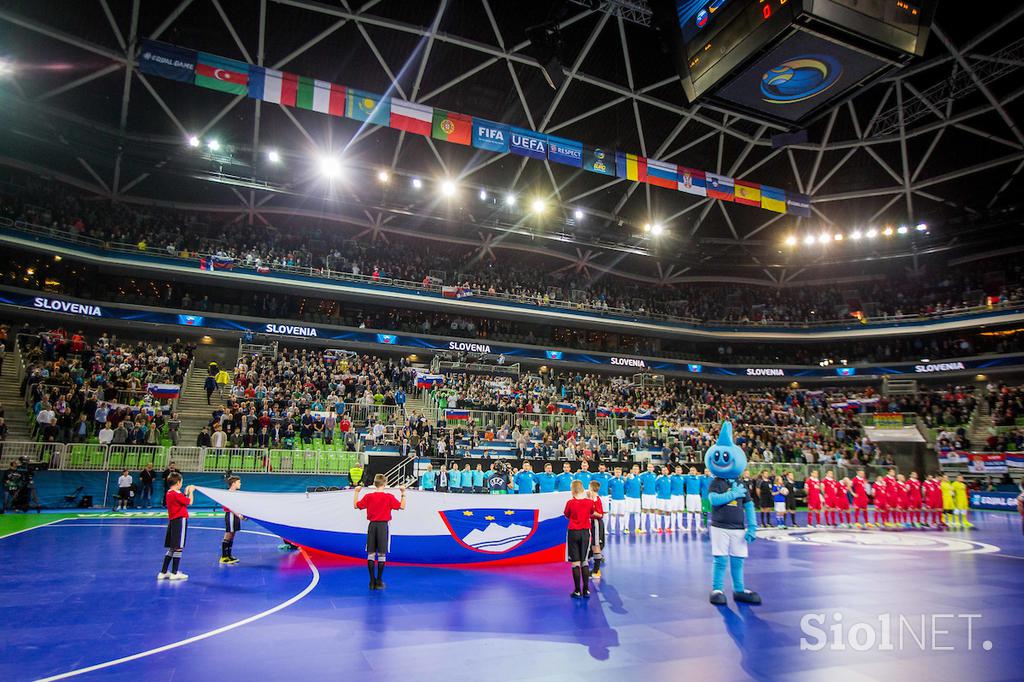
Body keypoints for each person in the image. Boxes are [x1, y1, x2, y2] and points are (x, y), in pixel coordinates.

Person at [354, 474, 406, 590]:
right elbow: (402, 506)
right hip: (383, 526)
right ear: (385, 483)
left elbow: (355, 506)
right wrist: (403, 493)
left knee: (371, 553)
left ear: (374, 483)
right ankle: (379, 581)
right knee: (382, 554)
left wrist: (356, 492)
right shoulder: (389, 497)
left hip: (372, 526)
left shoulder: (369, 496)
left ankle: (371, 581)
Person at [158, 473, 195, 581]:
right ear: (178, 482)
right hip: (180, 520)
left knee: (172, 547)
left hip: (173, 521)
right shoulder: (176, 494)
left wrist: (185, 493)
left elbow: (181, 499)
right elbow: (189, 502)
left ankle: (163, 572)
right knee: (179, 546)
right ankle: (174, 573)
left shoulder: (169, 493)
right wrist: (191, 492)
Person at [563, 480, 595, 599]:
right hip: (585, 532)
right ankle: (586, 590)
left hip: (573, 532)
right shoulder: (589, 502)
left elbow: (567, 515)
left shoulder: (570, 502)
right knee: (584, 561)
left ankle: (577, 590)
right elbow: (592, 513)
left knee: (575, 562)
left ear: (572, 489)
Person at [221, 476, 243, 564]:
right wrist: (238, 514)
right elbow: (229, 507)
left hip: (235, 516)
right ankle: (224, 557)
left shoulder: (236, 493)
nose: (240, 484)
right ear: (233, 483)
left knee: (232, 535)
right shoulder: (228, 494)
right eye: (239, 482)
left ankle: (229, 555)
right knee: (228, 535)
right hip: (231, 515)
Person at [587, 480, 606, 578]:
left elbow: (600, 514)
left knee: (596, 545)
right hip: (592, 524)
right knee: (592, 544)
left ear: (591, 488)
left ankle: (596, 571)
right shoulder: (592, 498)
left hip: (596, 524)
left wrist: (589, 512)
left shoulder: (597, 500)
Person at [639, 462, 658, 534]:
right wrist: (641, 487)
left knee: (653, 510)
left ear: (653, 468)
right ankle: (643, 528)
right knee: (644, 510)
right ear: (647, 468)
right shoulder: (642, 475)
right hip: (645, 495)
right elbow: (637, 480)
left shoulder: (654, 475)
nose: (650, 468)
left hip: (653, 495)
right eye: (648, 467)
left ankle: (652, 527)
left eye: (651, 467)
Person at [607, 467, 626, 535]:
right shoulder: (611, 480)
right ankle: (612, 529)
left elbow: (626, 488)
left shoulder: (623, 480)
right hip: (614, 499)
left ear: (621, 473)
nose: (618, 473)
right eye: (616, 472)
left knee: (622, 514)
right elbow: (607, 487)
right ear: (614, 473)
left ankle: (621, 529)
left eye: (619, 472)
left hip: (622, 499)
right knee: (613, 515)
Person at [624, 464, 642, 533]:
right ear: (632, 470)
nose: (635, 470)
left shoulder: (639, 478)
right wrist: (626, 479)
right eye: (634, 469)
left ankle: (637, 528)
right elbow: (625, 486)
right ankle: (626, 528)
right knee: (627, 512)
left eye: (636, 469)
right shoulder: (628, 477)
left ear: (638, 471)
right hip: (629, 497)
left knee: (637, 513)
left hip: (637, 498)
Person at [655, 466, 673, 532]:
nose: (665, 471)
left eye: (666, 470)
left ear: (668, 471)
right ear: (662, 471)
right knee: (659, 511)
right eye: (663, 470)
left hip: (668, 498)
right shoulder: (659, 478)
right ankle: (659, 527)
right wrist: (657, 493)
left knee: (668, 512)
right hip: (660, 498)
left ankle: (667, 527)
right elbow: (654, 486)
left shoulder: (670, 478)